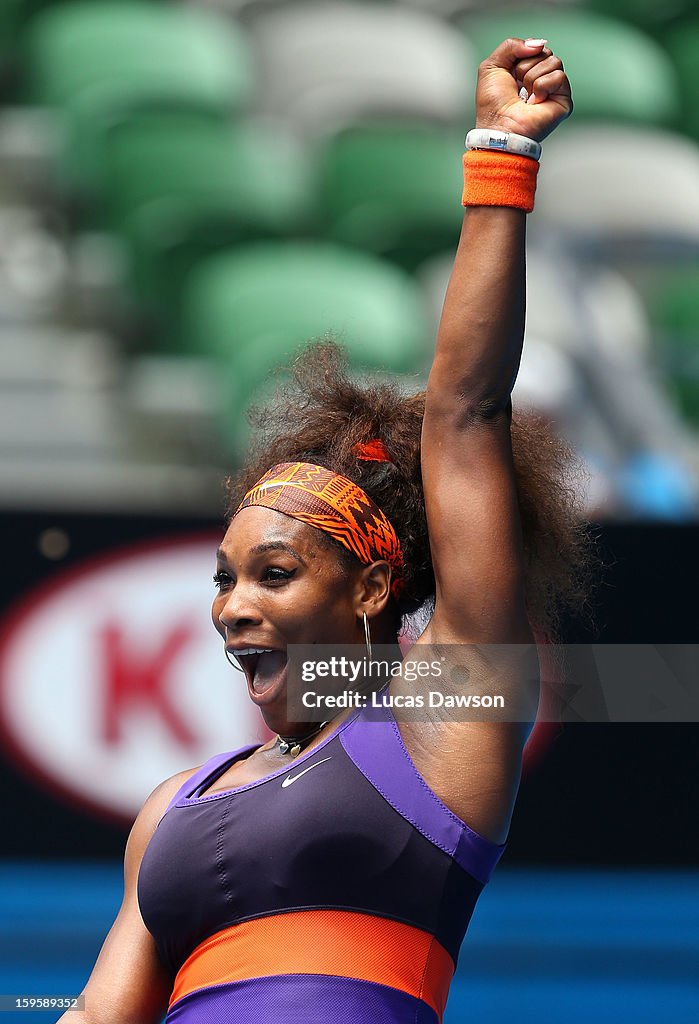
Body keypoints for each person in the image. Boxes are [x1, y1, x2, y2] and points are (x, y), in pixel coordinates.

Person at [60, 37, 586, 1024]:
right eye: (223, 580)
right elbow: (95, 1016)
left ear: (373, 590)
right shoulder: (170, 809)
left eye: (272, 572)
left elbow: (465, 411)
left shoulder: (442, 719)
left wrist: (499, 157)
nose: (233, 606)